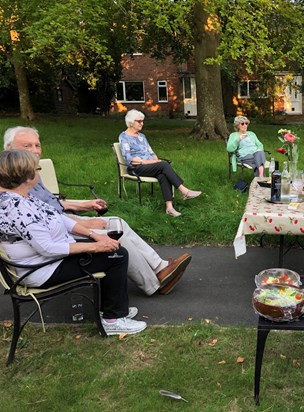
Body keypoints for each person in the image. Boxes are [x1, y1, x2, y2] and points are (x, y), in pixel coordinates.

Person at [3, 126, 191, 296]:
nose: (35, 150)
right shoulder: (18, 182)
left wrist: (86, 205)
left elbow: (53, 204)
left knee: (117, 223)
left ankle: (160, 267)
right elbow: (42, 224)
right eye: (27, 146)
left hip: (58, 223)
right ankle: (153, 284)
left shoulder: (30, 173)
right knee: (115, 235)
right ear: (9, 149)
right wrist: (84, 224)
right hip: (53, 235)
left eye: (37, 144)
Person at [0, 150, 147, 335]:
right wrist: (95, 246)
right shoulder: (16, 207)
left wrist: (94, 235)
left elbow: (60, 218)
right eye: (37, 169)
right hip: (41, 269)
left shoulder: (22, 197)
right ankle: (113, 319)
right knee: (116, 255)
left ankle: (114, 308)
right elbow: (47, 248)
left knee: (110, 248)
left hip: (48, 259)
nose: (39, 173)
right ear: (27, 176)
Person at [119, 109, 201, 217]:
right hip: (136, 168)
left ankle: (169, 208)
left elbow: (151, 152)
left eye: (142, 121)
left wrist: (155, 160)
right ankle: (184, 191)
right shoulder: (124, 137)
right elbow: (129, 158)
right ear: (131, 122)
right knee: (163, 165)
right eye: (139, 121)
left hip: (149, 165)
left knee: (162, 174)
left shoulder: (142, 137)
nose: (142, 123)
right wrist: (148, 162)